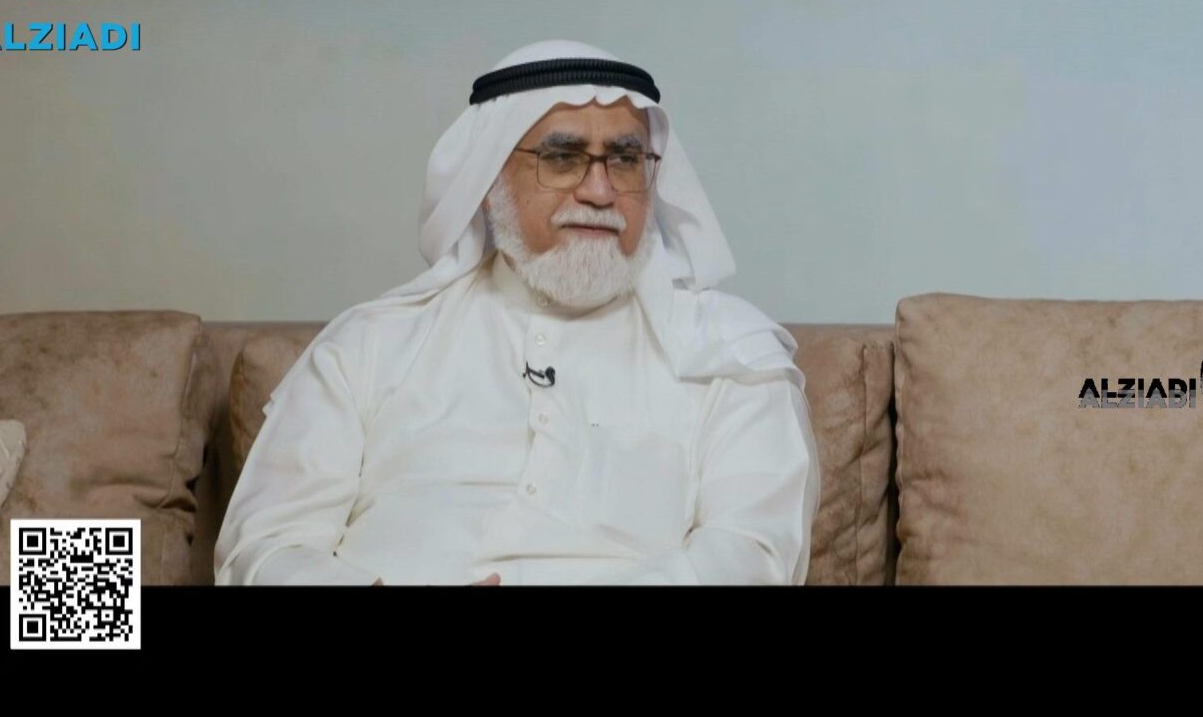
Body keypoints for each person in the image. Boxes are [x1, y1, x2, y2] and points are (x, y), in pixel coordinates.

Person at [213, 39, 820, 585]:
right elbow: (264, 548)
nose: (600, 191)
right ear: (488, 179)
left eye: (624, 160)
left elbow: (754, 553)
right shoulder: (370, 344)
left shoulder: (732, 354)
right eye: (563, 157)